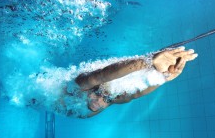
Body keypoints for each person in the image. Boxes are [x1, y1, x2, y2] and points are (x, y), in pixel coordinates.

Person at [54, 47, 198, 118]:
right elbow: (101, 77)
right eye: (98, 95)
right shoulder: (80, 90)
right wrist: (156, 71)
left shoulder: (105, 96)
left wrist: (156, 70)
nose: (99, 101)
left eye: (103, 98)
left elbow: (102, 76)